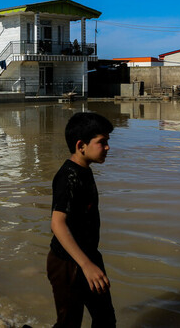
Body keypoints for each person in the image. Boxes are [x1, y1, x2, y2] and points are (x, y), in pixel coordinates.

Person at [47, 112, 116, 327]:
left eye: (107, 142)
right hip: (67, 263)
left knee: (105, 318)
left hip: (88, 256)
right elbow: (57, 223)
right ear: (81, 146)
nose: (107, 147)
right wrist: (85, 264)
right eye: (101, 142)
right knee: (69, 323)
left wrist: (90, 261)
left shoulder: (85, 170)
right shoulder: (68, 177)